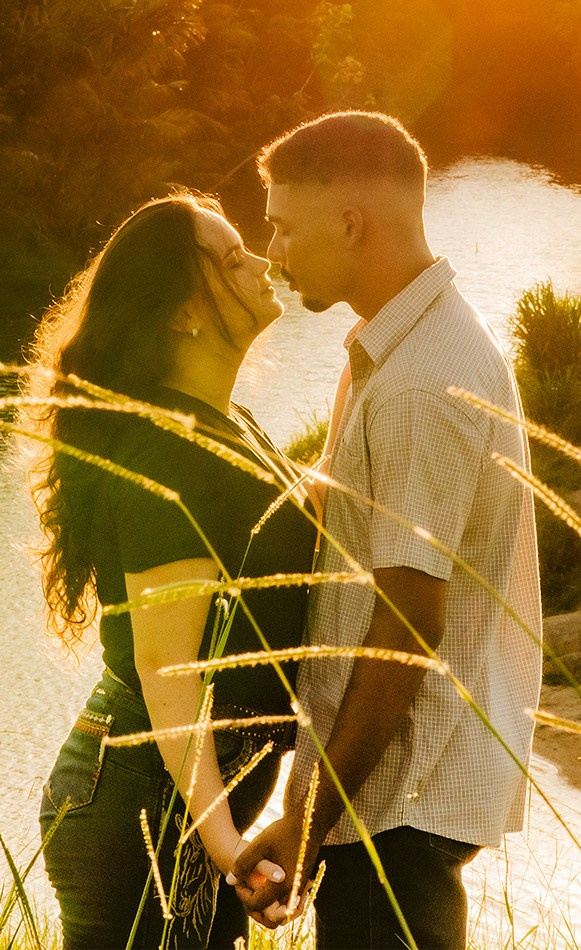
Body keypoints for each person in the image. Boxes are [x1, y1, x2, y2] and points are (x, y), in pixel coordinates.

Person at [233, 111, 542, 950]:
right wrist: (303, 811)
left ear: (350, 223)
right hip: (393, 797)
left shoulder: (418, 384)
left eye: (284, 228)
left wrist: (306, 823)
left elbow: (405, 624)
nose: (273, 254)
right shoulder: (412, 347)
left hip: (400, 802)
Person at [31, 192, 314, 950]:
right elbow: (168, 669)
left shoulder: (222, 425)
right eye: (230, 259)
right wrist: (228, 850)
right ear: (182, 314)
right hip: (138, 805)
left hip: (178, 803)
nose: (259, 262)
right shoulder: (170, 455)